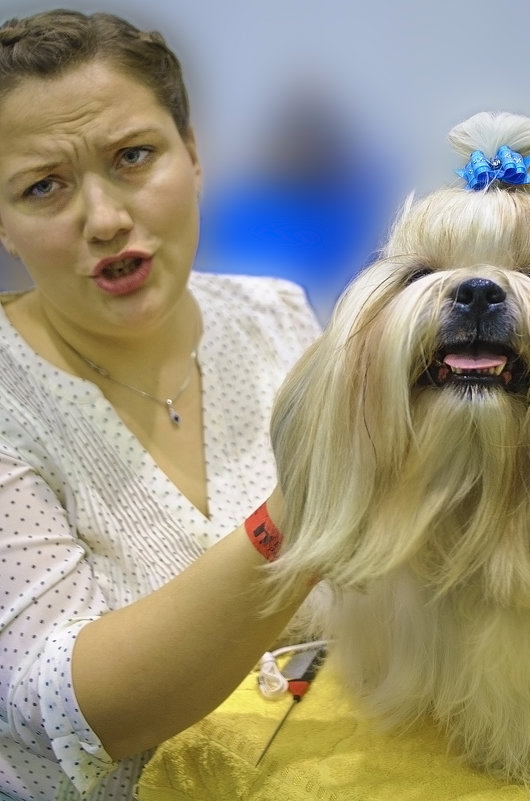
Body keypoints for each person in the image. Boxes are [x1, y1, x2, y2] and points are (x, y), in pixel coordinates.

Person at [0, 9, 321, 800]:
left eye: (132, 157)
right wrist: (301, 506)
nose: (106, 220)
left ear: (195, 153)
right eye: (44, 186)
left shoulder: (277, 315)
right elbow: (62, 709)